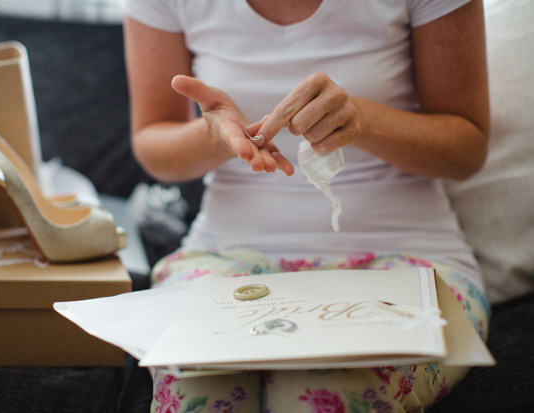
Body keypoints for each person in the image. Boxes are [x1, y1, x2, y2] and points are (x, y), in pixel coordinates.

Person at [123, 0, 490, 411]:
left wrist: (362, 120)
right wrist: (213, 136)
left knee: (320, 396)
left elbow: (467, 149)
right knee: (202, 393)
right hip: (224, 251)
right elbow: (153, 143)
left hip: (408, 255)